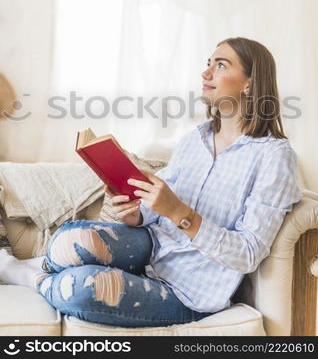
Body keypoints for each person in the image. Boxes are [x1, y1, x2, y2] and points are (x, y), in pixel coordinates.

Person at [0, 37, 302, 327]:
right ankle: (40, 266)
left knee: (80, 288)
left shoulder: (274, 157)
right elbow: (157, 206)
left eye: (221, 65)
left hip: (190, 291)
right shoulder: (195, 139)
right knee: (69, 239)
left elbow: (248, 253)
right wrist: (136, 213)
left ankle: (31, 276)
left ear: (250, 82)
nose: (206, 73)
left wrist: (180, 214)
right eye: (208, 63)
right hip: (151, 248)